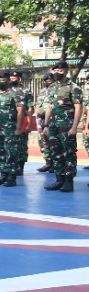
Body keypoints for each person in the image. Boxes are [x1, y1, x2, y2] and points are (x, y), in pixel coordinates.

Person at [39, 59, 82, 193]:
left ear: (66, 71)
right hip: (52, 126)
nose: (57, 73)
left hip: (66, 125)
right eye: (55, 70)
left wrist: (75, 126)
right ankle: (59, 179)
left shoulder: (73, 87)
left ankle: (68, 181)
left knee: (68, 152)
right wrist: (45, 125)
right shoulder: (52, 87)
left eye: (60, 70)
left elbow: (78, 107)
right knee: (55, 153)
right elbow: (49, 107)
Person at [0, 70, 22, 188]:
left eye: (3, 80)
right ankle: (3, 174)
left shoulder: (16, 93)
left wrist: (18, 128)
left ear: (8, 81)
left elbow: (21, 111)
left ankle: (11, 177)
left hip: (10, 128)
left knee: (11, 152)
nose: (0, 82)